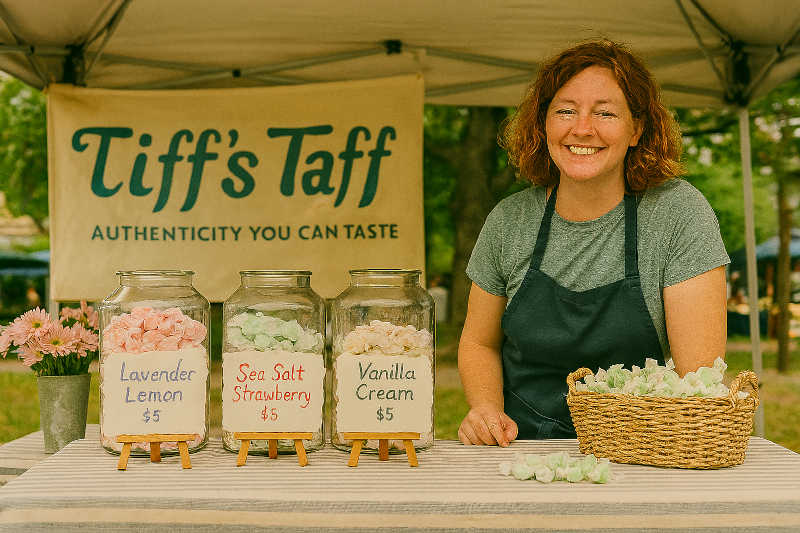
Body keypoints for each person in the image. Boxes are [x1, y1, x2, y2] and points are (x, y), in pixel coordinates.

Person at [458, 40, 729, 445]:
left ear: (636, 129)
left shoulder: (677, 214)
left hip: (641, 448)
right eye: (566, 110)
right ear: (543, 124)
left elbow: (698, 380)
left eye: (605, 113)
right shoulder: (509, 221)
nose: (582, 128)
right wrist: (485, 409)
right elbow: (479, 342)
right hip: (518, 449)